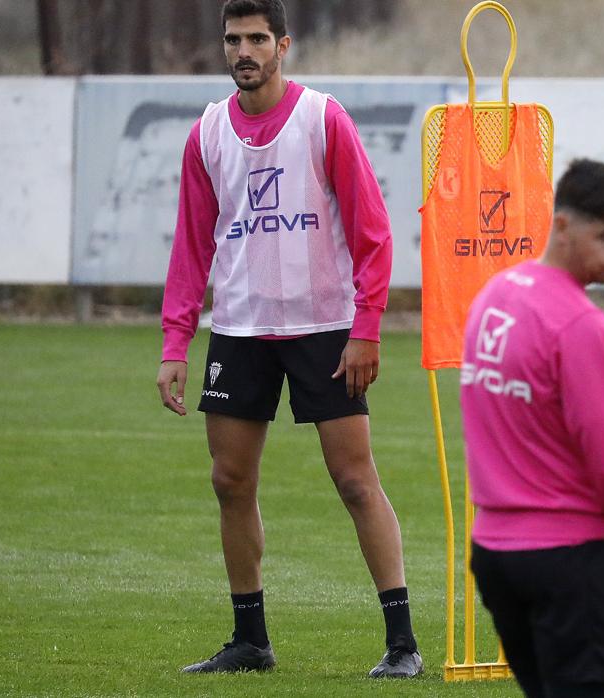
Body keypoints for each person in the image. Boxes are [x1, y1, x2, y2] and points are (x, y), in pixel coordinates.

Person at [155, 0, 420, 678]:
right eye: (233, 40)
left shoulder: (321, 119)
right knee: (229, 481)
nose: (243, 51)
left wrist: (366, 330)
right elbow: (189, 247)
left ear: (284, 46)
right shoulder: (207, 132)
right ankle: (251, 641)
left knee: (356, 482)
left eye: (256, 39)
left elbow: (373, 234)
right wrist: (174, 344)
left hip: (324, 329)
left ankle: (401, 644)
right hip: (240, 329)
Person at [462, 159, 604, 698]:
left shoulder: (494, 296)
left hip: (495, 558)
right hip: (568, 562)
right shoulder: (580, 324)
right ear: (562, 225)